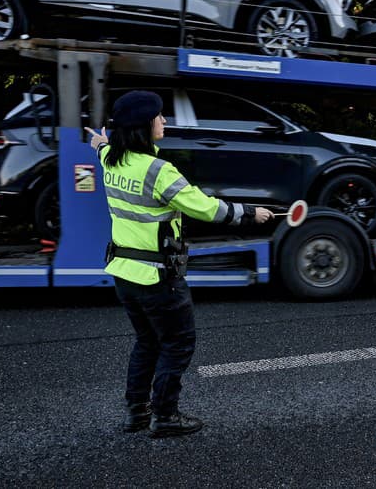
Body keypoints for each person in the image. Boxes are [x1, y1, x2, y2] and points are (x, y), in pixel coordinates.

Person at [85, 90, 273, 437]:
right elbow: (206, 208)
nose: (164, 121)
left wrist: (97, 139)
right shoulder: (158, 171)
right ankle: (166, 415)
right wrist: (252, 213)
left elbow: (101, 147)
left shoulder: (112, 159)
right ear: (144, 126)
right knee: (178, 343)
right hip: (158, 278)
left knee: (147, 341)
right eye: (159, 116)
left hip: (123, 274)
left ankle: (137, 412)